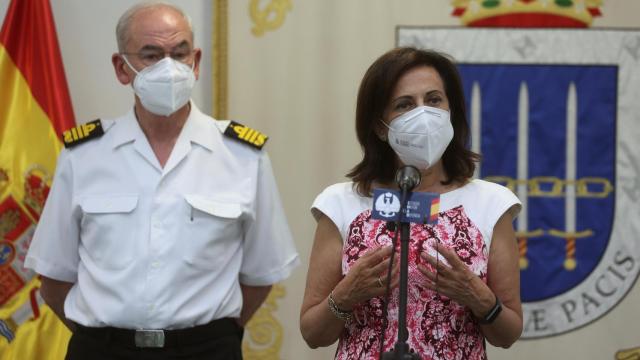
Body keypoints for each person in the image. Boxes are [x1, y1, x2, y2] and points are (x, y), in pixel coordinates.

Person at [25, 3, 299, 359]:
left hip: (206, 349)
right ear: (121, 69)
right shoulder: (84, 155)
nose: (168, 68)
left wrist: (205, 337)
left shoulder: (243, 156)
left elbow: (262, 274)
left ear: (195, 61)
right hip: (103, 349)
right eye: (151, 55)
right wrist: (108, 338)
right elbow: (54, 279)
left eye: (179, 53)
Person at [300, 47, 523, 359]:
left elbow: (508, 334)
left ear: (451, 112)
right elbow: (312, 334)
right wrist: (347, 295)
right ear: (380, 126)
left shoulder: (490, 202)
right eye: (404, 105)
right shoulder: (341, 203)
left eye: (433, 100)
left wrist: (478, 297)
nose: (423, 114)